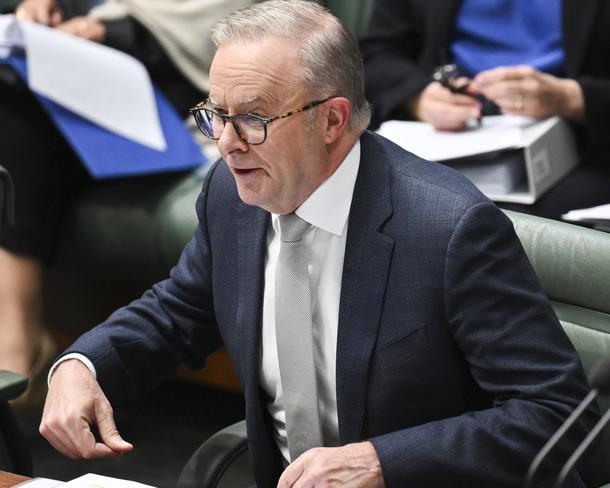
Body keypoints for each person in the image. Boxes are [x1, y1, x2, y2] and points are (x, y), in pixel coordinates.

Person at [39, 1, 597, 486]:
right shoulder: (233, 196)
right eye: (216, 115)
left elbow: (556, 412)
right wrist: (83, 364)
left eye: (253, 118)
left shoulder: (449, 230)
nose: (228, 145)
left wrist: (382, 462)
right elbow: (178, 310)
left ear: (331, 120)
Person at [0, 0, 254, 379]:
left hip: (177, 69)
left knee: (8, 103)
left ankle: (15, 353)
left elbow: (232, 21)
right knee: (1, 88)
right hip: (85, 51)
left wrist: (104, 31)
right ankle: (11, 350)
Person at [360, 0, 610, 220]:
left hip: (582, 143)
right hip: (445, 133)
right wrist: (418, 96)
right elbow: (375, 54)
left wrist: (571, 97)